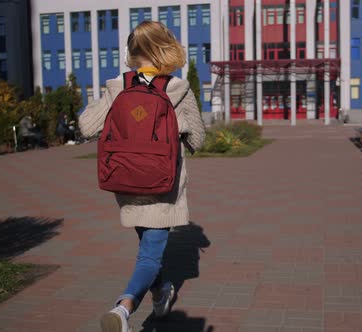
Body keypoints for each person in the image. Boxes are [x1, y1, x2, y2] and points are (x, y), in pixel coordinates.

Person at [78, 21, 205, 332]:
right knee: (149, 256)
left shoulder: (118, 86)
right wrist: (180, 129)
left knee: (149, 248)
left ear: (132, 54)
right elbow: (198, 140)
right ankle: (124, 308)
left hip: (126, 182)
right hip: (163, 186)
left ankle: (161, 292)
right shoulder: (176, 88)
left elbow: (85, 127)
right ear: (164, 49)